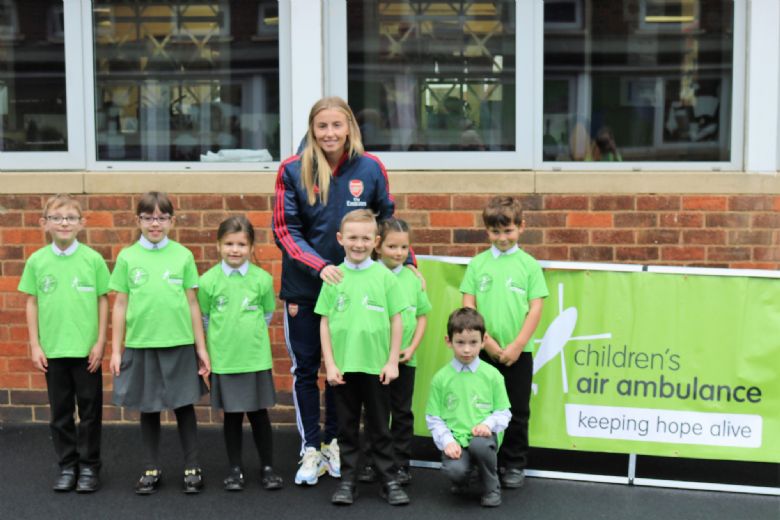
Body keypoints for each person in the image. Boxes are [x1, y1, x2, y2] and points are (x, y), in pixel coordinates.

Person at [273, 96, 417, 485]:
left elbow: (389, 223)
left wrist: (411, 265)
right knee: (307, 370)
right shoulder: (292, 169)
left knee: (345, 370)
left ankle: (336, 441)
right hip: (306, 289)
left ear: (350, 127)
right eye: (322, 126)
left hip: (357, 292)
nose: (330, 133)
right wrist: (321, 267)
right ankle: (310, 448)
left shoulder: (370, 168)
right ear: (312, 129)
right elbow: (285, 230)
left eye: (338, 125)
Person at [109, 191, 211, 495]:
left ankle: (192, 467)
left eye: (162, 217)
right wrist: (116, 350)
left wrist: (201, 348)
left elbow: (193, 303)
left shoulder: (183, 255)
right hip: (142, 344)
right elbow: (119, 304)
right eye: (149, 217)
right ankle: (151, 467)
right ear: (138, 220)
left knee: (183, 406)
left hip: (178, 343)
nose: (155, 223)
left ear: (172, 220)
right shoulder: (128, 257)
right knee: (148, 408)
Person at [315, 210, 409, 506]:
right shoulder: (333, 277)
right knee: (347, 427)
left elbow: (397, 320)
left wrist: (392, 360)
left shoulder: (384, 277)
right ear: (340, 239)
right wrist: (329, 363)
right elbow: (325, 323)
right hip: (343, 368)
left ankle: (389, 480)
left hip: (376, 367)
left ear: (376, 241)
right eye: (352, 238)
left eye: (366, 238)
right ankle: (348, 481)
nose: (359, 244)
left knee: (380, 426)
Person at [18, 194, 110, 493]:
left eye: (70, 217)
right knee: (60, 414)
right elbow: (32, 303)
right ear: (45, 224)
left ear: (81, 223)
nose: (64, 223)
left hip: (86, 352)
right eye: (57, 218)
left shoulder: (92, 260)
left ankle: (89, 468)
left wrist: (100, 342)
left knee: (90, 412)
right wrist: (35, 344)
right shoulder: (37, 261)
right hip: (53, 350)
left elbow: (103, 301)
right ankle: (67, 466)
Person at [460, 196, 549, 489]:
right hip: (481, 353)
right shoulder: (477, 264)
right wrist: (487, 344)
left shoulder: (529, 266)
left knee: (516, 411)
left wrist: (516, 345)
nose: (502, 238)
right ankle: (481, 463)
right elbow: (469, 309)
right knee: (478, 409)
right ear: (487, 231)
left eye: (508, 231)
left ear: (521, 227)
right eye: (496, 232)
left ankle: (514, 463)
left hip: (517, 354)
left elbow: (535, 308)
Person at [197, 216, 283, 492]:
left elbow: (267, 314)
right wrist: (216, 348)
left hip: (255, 358)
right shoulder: (208, 281)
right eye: (229, 244)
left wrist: (249, 336)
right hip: (225, 360)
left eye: (241, 244)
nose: (235, 250)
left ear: (251, 246)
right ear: (219, 245)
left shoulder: (262, 279)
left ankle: (267, 467)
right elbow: (206, 317)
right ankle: (234, 468)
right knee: (232, 417)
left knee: (259, 415)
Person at [358, 218, 430, 486]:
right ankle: (371, 461)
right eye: (392, 246)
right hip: (375, 361)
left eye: (403, 247)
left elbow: (422, 317)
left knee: (401, 413)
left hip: (405, 360)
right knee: (375, 413)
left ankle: (400, 464)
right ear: (378, 246)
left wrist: (412, 347)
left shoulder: (413, 279)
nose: (398, 253)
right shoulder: (370, 276)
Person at [425, 308, 511, 507]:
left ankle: (491, 488)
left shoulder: (492, 375)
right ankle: (466, 477)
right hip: (456, 439)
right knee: (455, 470)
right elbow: (434, 418)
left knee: (479, 444)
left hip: (483, 439)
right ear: (449, 341)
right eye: (460, 342)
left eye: (473, 342)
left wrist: (488, 425)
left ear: (484, 340)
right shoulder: (441, 378)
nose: (466, 350)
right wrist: (447, 441)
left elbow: (503, 412)